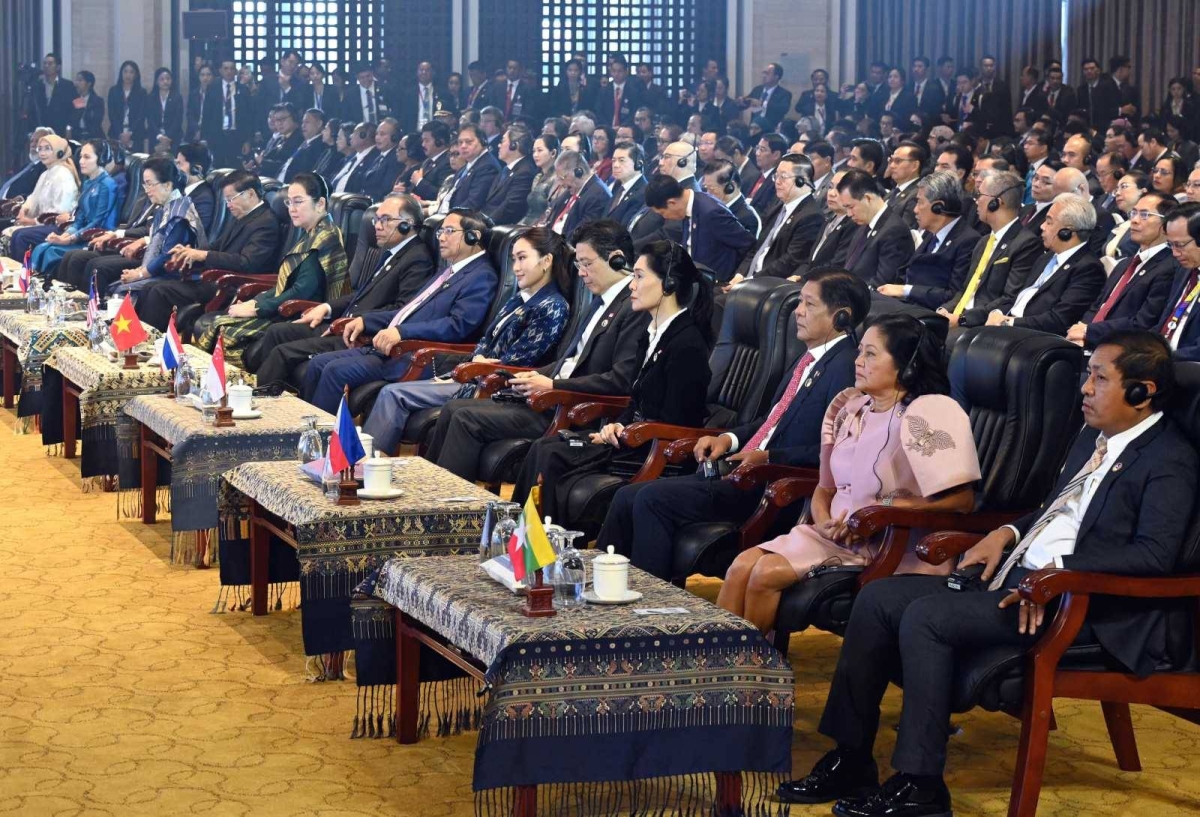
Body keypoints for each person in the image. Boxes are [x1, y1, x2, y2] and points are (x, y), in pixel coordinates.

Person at [780, 331, 1195, 816]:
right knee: (877, 600)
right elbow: (1053, 510)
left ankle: (921, 786)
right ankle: (851, 756)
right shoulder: (1095, 438)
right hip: (1021, 582)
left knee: (928, 618)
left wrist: (1058, 573)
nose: (1084, 388)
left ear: (1141, 392)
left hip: (1083, 607)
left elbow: (1155, 556)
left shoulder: (1169, 461)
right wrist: (1007, 534)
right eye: (1087, 375)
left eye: (1100, 378)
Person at [598, 267, 867, 581]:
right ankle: (603, 589)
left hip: (771, 485)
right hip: (741, 470)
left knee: (651, 500)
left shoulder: (846, 370)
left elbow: (834, 452)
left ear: (842, 317)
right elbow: (770, 423)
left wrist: (768, 458)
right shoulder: (809, 358)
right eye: (799, 303)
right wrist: (728, 439)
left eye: (809, 304)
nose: (798, 311)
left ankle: (655, 611)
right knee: (625, 496)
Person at [720, 314, 980, 634]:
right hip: (835, 536)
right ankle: (716, 675)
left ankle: (748, 680)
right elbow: (824, 487)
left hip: (894, 545)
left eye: (871, 354)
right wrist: (824, 521)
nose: (858, 360)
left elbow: (962, 500)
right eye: (860, 352)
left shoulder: (928, 413)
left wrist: (888, 511)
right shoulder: (849, 407)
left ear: (906, 365)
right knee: (741, 565)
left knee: (765, 573)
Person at [425, 219, 648, 482]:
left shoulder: (632, 308)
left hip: (576, 409)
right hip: (555, 395)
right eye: (578, 264)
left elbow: (620, 380)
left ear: (617, 260)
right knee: (454, 408)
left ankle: (456, 511)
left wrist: (553, 384)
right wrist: (531, 376)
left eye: (587, 263)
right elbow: (571, 360)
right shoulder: (599, 300)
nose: (581, 272)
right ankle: (430, 496)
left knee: (465, 418)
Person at [510, 240, 713, 524]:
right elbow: (636, 398)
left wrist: (626, 429)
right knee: (545, 447)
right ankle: (520, 542)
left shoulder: (687, 344)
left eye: (640, 277)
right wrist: (618, 425)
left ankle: (543, 551)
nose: (631, 285)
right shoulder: (651, 333)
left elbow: (677, 421)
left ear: (668, 284)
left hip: (656, 451)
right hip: (631, 438)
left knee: (552, 454)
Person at [364, 227, 572, 455]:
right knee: (391, 390)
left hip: (489, 386)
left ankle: (370, 467)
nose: (515, 268)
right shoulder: (519, 299)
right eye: (513, 259)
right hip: (475, 371)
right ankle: (370, 464)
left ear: (546, 261)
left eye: (522, 258)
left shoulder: (552, 307)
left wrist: (478, 366)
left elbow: (519, 360)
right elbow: (486, 339)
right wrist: (480, 357)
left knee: (393, 393)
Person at [301, 208, 496, 413]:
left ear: (473, 236)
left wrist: (402, 332)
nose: (442, 238)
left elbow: (457, 326)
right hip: (392, 348)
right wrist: (365, 321)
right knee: (318, 363)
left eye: (449, 231)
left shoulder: (481, 276)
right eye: (440, 232)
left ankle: (323, 440)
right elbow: (408, 310)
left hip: (416, 356)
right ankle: (299, 432)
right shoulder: (450, 271)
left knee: (334, 370)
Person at [249, 194, 434, 385]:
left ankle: (260, 401)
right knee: (277, 331)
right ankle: (255, 391)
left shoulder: (417, 259)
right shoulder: (391, 252)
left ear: (408, 224)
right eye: (376, 219)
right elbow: (363, 293)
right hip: (344, 323)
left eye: (385, 219)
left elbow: (403, 310)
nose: (377, 226)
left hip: (361, 335)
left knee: (283, 352)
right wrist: (326, 307)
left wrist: (360, 321)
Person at [195, 173, 348, 368]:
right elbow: (284, 283)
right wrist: (255, 301)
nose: (292, 209)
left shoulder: (326, 238)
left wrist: (257, 308)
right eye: (289, 202)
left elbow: (302, 291)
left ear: (320, 203)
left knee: (222, 328)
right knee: (222, 321)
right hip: (284, 306)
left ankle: (232, 387)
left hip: (300, 313)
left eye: (298, 202)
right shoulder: (313, 232)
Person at [138, 171, 281, 332]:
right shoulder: (243, 216)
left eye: (231, 199)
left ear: (250, 194)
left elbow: (247, 263)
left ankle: (148, 343)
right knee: (149, 287)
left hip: (232, 286)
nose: (228, 205)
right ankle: (135, 339)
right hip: (216, 280)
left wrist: (204, 255)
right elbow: (217, 246)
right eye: (226, 200)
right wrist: (191, 252)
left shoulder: (266, 223)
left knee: (159, 291)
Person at [1067, 192, 1178, 349]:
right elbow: (1098, 306)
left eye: (1145, 215)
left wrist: (1089, 332)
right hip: (1090, 343)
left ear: (1167, 223)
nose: (1134, 220)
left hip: (1123, 350)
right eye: (1133, 213)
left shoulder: (1169, 267)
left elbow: (1143, 323)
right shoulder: (1124, 264)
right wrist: (1081, 330)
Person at [877, 170, 981, 310]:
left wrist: (906, 290)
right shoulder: (929, 234)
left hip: (929, 314)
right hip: (906, 305)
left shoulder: (968, 240)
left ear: (939, 206)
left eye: (920, 202)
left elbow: (954, 295)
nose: (915, 210)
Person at [727, 152, 823, 288]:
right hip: (750, 278)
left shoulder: (811, 216)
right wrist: (740, 274)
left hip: (770, 284)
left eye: (783, 177)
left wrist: (750, 280)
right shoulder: (778, 205)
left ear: (801, 181)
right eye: (776, 176)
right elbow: (757, 246)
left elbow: (790, 260)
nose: (777, 181)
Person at [31, 140, 120, 282]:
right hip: (82, 234)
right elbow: (80, 218)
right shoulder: (88, 182)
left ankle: (51, 292)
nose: (81, 161)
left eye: (87, 157)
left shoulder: (107, 185)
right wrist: (64, 236)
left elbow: (98, 222)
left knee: (52, 252)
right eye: (81, 156)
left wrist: (69, 240)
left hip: (95, 237)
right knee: (42, 247)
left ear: (101, 159)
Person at [643, 173, 754, 283]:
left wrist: (739, 276)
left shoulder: (711, 213)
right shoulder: (688, 206)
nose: (665, 217)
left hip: (715, 285)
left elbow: (750, 245)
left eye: (663, 213)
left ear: (671, 203)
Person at [2, 135, 81, 260]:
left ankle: (25, 275)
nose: (42, 153)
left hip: (58, 226)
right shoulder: (45, 174)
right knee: (9, 230)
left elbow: (60, 213)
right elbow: (33, 199)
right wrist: (24, 210)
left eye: (47, 149)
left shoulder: (63, 175)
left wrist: (33, 222)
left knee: (20, 235)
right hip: (43, 223)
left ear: (59, 152)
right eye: (40, 149)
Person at [836, 169, 913, 288]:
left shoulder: (894, 231)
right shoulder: (864, 225)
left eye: (850, 207)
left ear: (868, 198)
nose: (849, 214)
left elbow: (882, 283)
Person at [1159, 203, 1200, 361]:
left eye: (1180, 245)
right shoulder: (1184, 270)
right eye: (1171, 245)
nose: (1175, 253)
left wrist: (1160, 360)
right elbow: (1163, 324)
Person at [434, 124, 501, 214]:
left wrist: (449, 217)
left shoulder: (487, 167)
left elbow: (473, 203)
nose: (463, 146)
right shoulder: (468, 165)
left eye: (469, 142)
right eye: (460, 142)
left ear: (483, 142)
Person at [546, 149, 611, 236]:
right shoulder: (572, 189)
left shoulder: (597, 195)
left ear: (578, 172)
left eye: (563, 177)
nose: (561, 183)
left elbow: (582, 234)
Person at [483, 126, 538, 225]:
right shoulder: (507, 168)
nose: (499, 145)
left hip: (498, 227)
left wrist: (484, 223)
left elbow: (511, 206)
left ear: (514, 145)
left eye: (503, 141)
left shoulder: (525, 172)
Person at [701, 159, 761, 239]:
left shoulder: (747, 218)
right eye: (706, 188)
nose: (708, 193)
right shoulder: (710, 209)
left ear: (730, 186)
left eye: (712, 189)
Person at [281, 108, 333, 186]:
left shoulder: (320, 146)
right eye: (302, 122)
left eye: (307, 122)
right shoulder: (303, 142)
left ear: (319, 124)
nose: (303, 125)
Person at [174, 143, 216, 236]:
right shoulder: (179, 190)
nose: (176, 168)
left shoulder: (204, 197)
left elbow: (195, 233)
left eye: (179, 164)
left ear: (196, 169)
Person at [881, 141, 925, 229]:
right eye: (891, 160)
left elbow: (902, 230)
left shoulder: (917, 194)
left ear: (915, 166)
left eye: (898, 161)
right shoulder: (893, 191)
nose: (892, 166)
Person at [519, 135, 561, 226]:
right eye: (534, 151)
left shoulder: (558, 179)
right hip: (527, 223)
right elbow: (530, 211)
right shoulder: (537, 177)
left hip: (542, 226)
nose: (535, 155)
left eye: (540, 150)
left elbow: (551, 212)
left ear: (553, 153)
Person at [605, 141, 647, 228]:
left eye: (621, 160)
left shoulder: (643, 192)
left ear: (638, 164)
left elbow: (624, 227)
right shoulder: (619, 187)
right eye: (614, 160)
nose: (615, 165)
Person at [742, 63, 792, 132]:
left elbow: (783, 109)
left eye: (767, 73)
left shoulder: (784, 93)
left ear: (776, 76)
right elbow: (748, 102)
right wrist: (742, 102)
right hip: (754, 128)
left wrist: (762, 103)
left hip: (772, 128)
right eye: (763, 73)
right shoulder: (757, 89)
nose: (763, 76)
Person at [145, 67, 184, 152]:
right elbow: (150, 119)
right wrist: (159, 136)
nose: (165, 81)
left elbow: (178, 120)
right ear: (156, 82)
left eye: (168, 79)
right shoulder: (151, 98)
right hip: (155, 137)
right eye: (162, 79)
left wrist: (167, 137)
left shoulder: (177, 97)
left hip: (173, 137)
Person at [185, 63, 221, 146]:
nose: (205, 78)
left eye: (208, 75)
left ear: (213, 77)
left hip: (212, 134)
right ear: (199, 77)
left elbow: (216, 118)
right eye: (202, 75)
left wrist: (204, 133)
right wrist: (197, 130)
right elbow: (190, 114)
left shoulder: (218, 94)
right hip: (194, 132)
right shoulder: (193, 94)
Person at [68, 71, 105, 141]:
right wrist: (68, 129)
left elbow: (96, 123)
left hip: (93, 137)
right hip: (77, 137)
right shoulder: (76, 100)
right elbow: (71, 121)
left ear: (89, 84)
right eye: (76, 80)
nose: (77, 83)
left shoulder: (97, 101)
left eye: (80, 80)